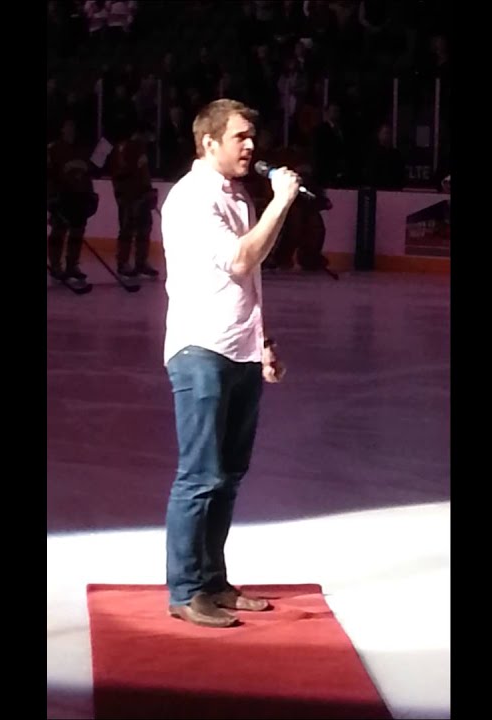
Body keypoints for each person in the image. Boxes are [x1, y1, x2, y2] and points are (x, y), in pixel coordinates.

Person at [159, 99, 300, 628]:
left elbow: (247, 277)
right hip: (202, 349)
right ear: (208, 142)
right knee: (200, 475)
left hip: (238, 348)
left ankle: (213, 582)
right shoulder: (193, 198)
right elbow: (241, 257)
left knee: (229, 475)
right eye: (239, 137)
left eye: (251, 137)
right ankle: (186, 589)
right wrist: (282, 201)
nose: (251, 146)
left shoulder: (235, 196)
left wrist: (263, 339)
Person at [47, 118, 98, 280]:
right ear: (62, 129)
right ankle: (56, 265)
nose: (71, 131)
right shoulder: (53, 149)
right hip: (61, 197)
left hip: (80, 197)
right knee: (58, 232)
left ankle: (72, 265)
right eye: (68, 127)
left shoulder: (81, 150)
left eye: (73, 127)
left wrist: (91, 194)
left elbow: (87, 176)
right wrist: (51, 197)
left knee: (77, 232)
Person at [109, 123, 160, 278]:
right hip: (129, 197)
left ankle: (141, 262)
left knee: (144, 228)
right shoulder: (126, 148)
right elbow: (121, 174)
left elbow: (143, 173)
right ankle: (123, 262)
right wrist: (126, 194)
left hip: (142, 195)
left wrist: (148, 190)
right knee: (127, 229)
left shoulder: (140, 149)